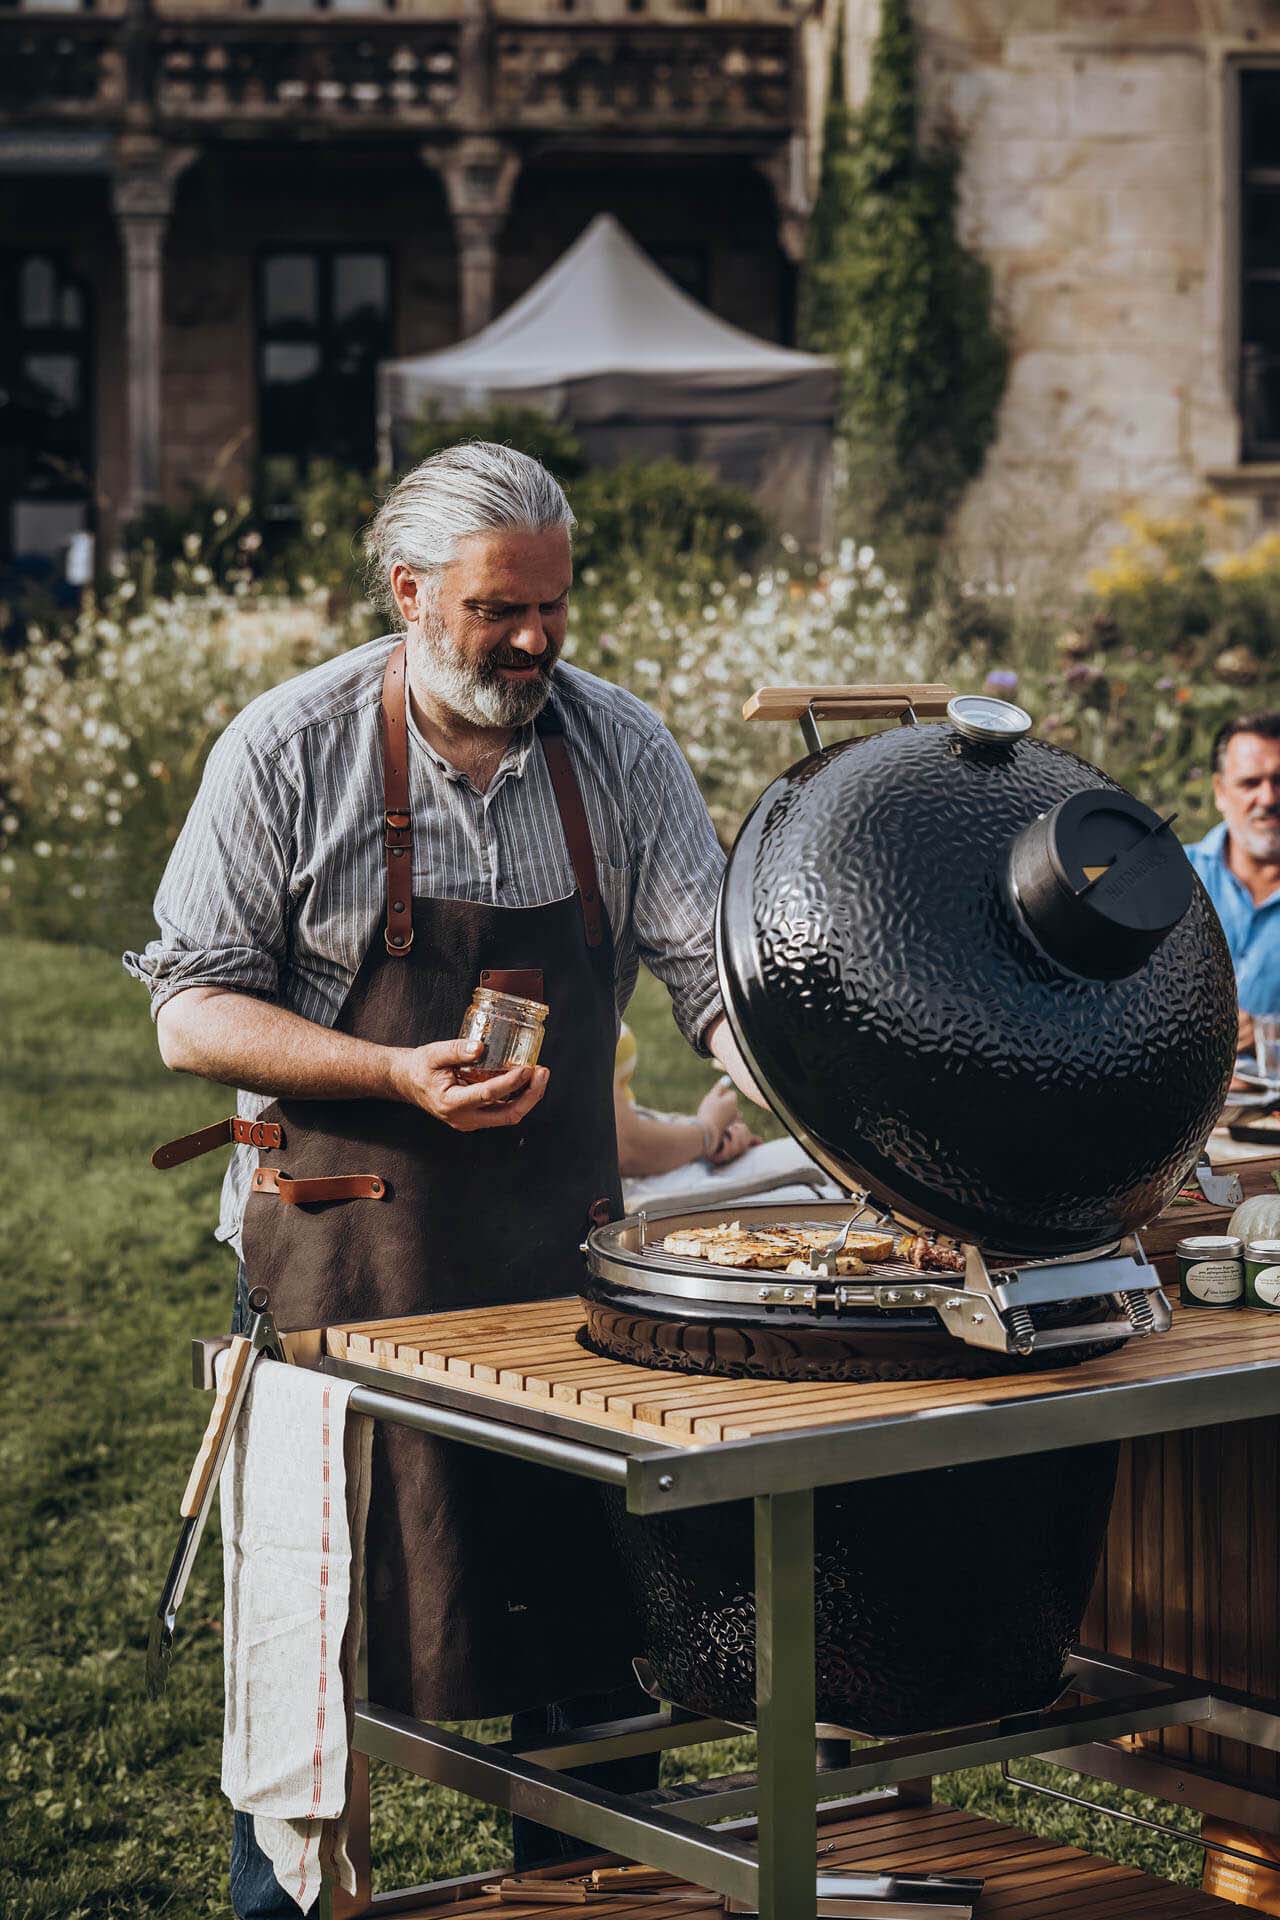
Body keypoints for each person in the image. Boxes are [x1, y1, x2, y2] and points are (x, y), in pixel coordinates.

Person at [123, 442, 764, 1919]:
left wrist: (817, 1082)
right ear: (409, 595)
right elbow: (192, 1012)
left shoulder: (623, 748)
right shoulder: (286, 751)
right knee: (312, 1661)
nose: (536, 640)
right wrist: (393, 1075)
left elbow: (714, 975)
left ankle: (591, 1901)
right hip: (343, 1286)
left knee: (592, 1676)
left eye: (554, 606)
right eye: (497, 611)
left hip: (565, 1290)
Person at [613, 1022, 838, 1211]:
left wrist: (691, 1130)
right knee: (847, 1203)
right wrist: (706, 1130)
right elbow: (624, 1147)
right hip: (637, 1194)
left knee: (836, 1158)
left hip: (668, 1164)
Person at [1186, 712, 1280, 1056]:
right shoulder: (1172, 876)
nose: (1268, 799)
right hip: (1169, 1097)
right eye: (1250, 783)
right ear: (1220, 792)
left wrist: (1270, 1038)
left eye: (1279, 780)